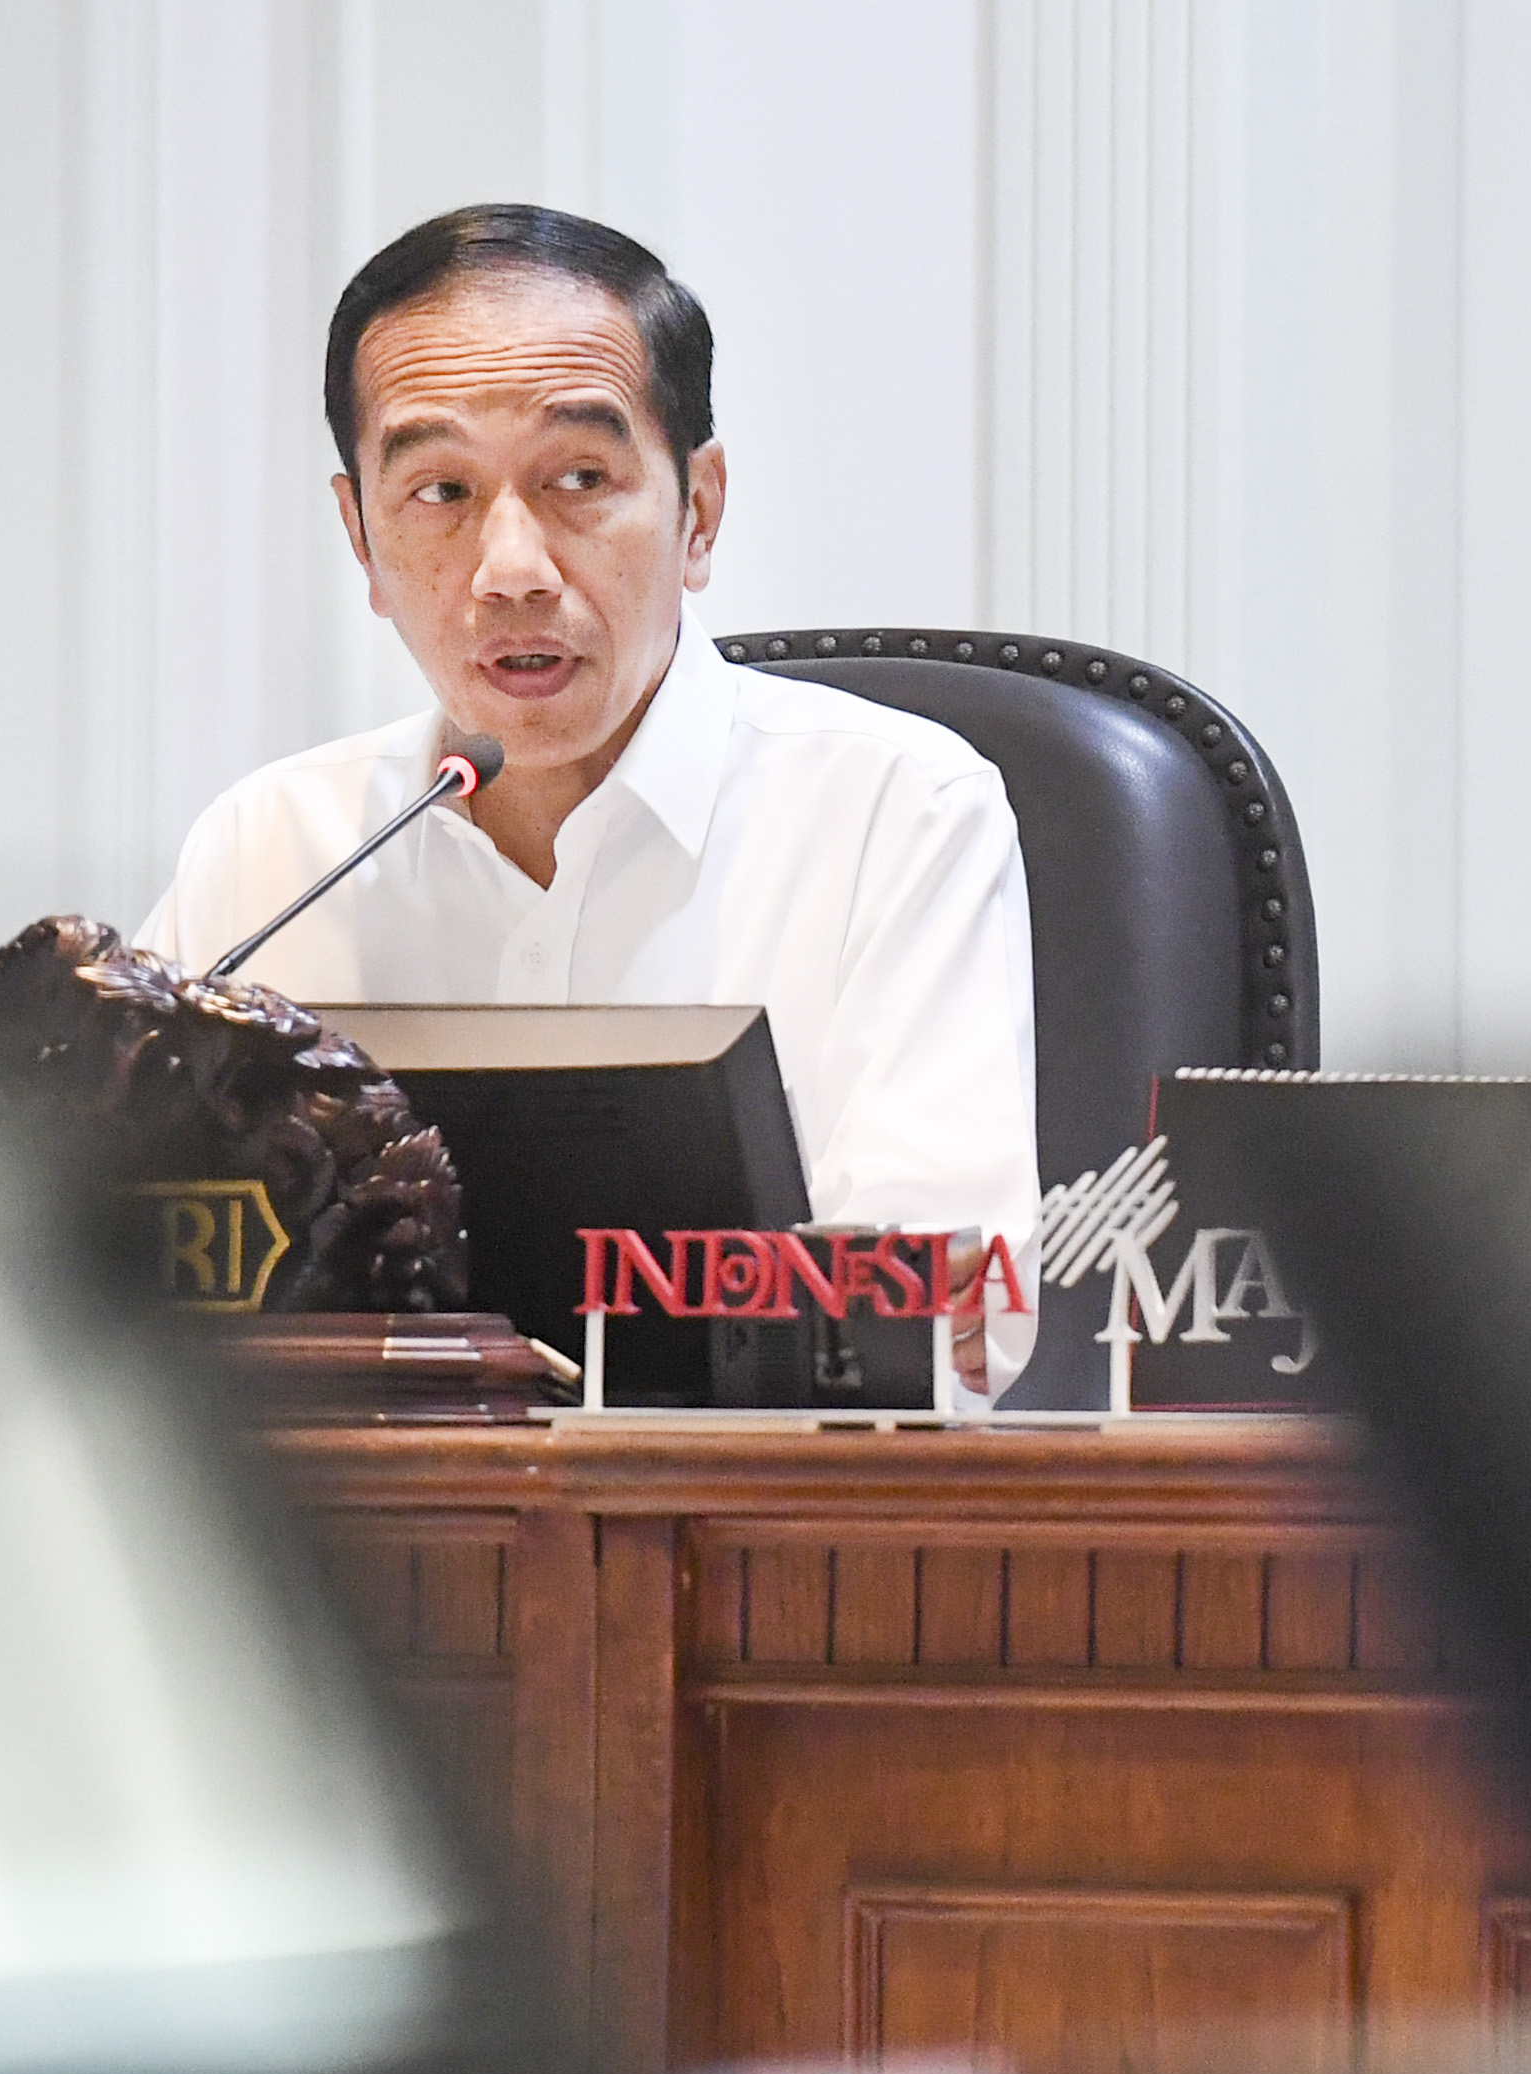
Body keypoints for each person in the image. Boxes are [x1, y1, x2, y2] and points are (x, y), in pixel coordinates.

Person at [139, 205, 1039, 1397]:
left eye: (579, 478)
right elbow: (104, 1284)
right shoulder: (270, 852)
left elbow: (943, 1326)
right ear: (359, 535)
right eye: (440, 492)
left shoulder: (894, 815)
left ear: (697, 509)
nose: (511, 568)